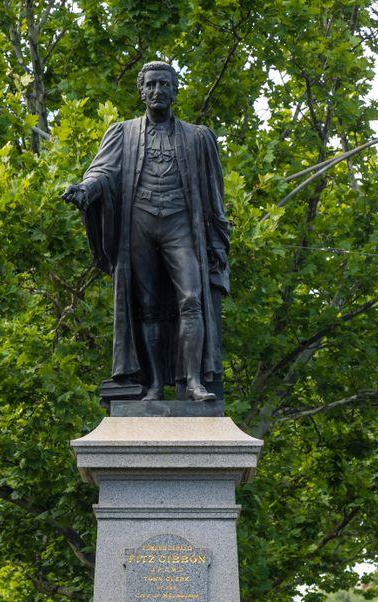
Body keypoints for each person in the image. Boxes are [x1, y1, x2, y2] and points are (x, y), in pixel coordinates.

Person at [62, 61, 229, 402]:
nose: (158, 91)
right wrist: (85, 190)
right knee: (149, 306)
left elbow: (213, 196)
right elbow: (103, 172)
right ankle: (153, 384)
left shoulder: (198, 137)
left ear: (174, 90)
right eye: (151, 85)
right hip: (139, 223)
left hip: (181, 223)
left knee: (192, 299)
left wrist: (216, 242)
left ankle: (194, 382)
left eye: (164, 84)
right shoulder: (123, 133)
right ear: (141, 91)